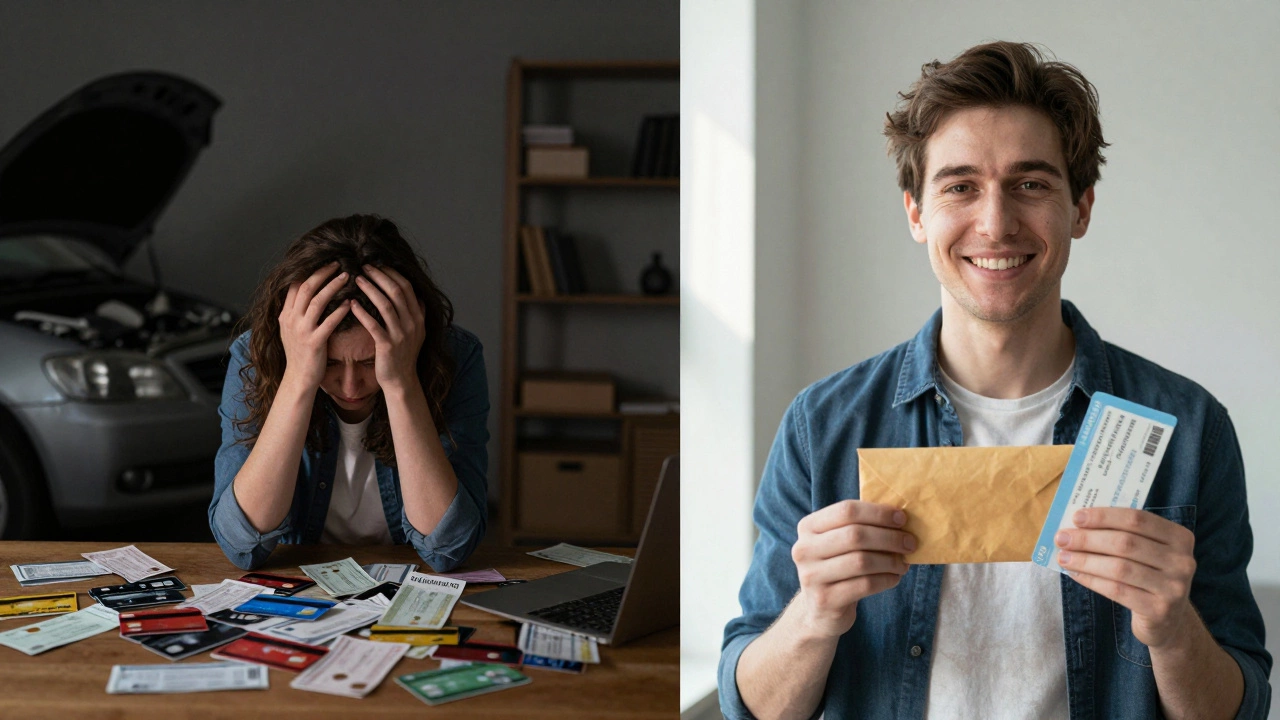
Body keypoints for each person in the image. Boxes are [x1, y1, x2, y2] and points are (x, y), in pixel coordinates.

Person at [719, 42, 1271, 720]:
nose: (996, 222)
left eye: (1031, 184)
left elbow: (1242, 706)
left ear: (1081, 208)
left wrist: (1172, 629)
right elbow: (750, 705)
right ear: (916, 213)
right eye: (960, 187)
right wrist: (814, 616)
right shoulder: (821, 427)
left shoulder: (1189, 427)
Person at [210, 214, 489, 573]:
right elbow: (241, 545)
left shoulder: (455, 358)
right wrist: (298, 379)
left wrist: (402, 381)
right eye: (329, 364)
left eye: (371, 362)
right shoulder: (257, 355)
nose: (351, 386)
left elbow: (449, 548)